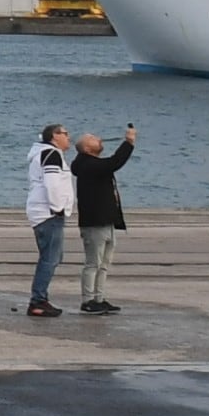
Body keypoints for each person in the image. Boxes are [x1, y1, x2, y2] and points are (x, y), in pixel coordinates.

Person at [69, 123, 137, 312]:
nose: (98, 138)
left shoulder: (92, 164)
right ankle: (87, 300)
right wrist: (129, 143)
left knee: (104, 264)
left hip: (106, 221)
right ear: (86, 148)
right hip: (94, 222)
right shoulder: (86, 164)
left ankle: (99, 298)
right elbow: (114, 163)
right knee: (93, 263)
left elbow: (109, 164)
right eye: (93, 138)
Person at [23, 124, 77, 317]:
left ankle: (40, 298)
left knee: (52, 257)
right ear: (55, 136)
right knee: (50, 258)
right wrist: (58, 208)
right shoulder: (51, 155)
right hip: (48, 214)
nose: (69, 137)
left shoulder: (44, 154)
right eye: (65, 133)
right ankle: (38, 301)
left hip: (42, 212)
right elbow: (52, 184)